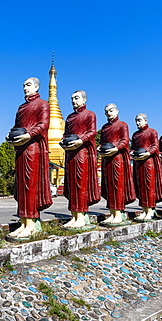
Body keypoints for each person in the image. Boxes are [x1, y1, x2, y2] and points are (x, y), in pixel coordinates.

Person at [7, 77, 52, 238]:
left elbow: (43, 125)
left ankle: (32, 223)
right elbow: (17, 126)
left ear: (37, 87)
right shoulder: (21, 108)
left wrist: (28, 135)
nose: (25, 88)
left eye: (28, 85)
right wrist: (11, 134)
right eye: (23, 85)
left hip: (33, 149)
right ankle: (23, 221)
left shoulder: (43, 104)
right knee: (21, 185)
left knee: (31, 184)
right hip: (21, 149)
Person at [60, 90, 100, 228]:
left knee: (81, 184)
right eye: (72, 98)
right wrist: (62, 141)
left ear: (84, 100)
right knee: (71, 184)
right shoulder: (70, 117)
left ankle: (82, 215)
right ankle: (74, 215)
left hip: (82, 153)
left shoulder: (90, 115)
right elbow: (65, 134)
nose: (73, 101)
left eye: (76, 98)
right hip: (70, 153)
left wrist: (80, 140)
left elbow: (92, 132)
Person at [100, 103, 136, 223]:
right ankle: (112, 213)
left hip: (118, 158)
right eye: (106, 111)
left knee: (118, 185)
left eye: (111, 110)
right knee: (109, 185)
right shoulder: (105, 127)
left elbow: (125, 141)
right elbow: (102, 142)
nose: (108, 113)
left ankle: (119, 213)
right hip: (107, 159)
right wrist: (99, 148)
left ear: (117, 111)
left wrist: (115, 149)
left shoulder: (123, 125)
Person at [132, 113, 162, 220]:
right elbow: (133, 148)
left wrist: (147, 153)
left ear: (145, 121)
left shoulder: (152, 132)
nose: (138, 123)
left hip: (149, 162)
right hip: (138, 163)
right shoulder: (135, 135)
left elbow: (155, 147)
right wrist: (132, 153)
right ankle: (144, 209)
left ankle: (150, 210)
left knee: (149, 186)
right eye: (136, 121)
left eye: (140, 120)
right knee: (141, 185)